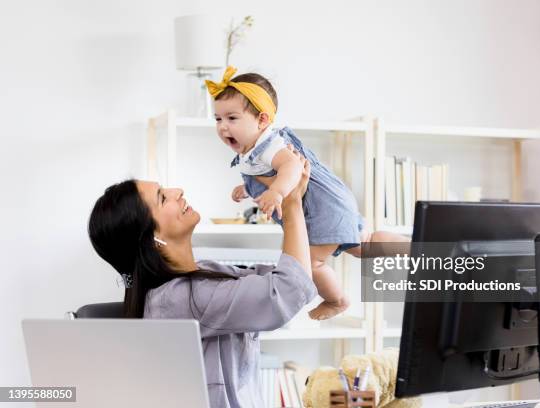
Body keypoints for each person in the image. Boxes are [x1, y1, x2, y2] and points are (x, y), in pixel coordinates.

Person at [88, 152, 316, 407]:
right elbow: (289, 289)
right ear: (152, 238)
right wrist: (292, 204)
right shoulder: (179, 299)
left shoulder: (202, 273)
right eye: (163, 198)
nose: (177, 191)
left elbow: (291, 276)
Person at [206, 66, 409, 320]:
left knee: (309, 265)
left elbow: (291, 166)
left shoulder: (269, 146)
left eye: (232, 118)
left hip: (320, 209)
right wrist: (247, 188)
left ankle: (337, 300)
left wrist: (278, 192)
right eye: (218, 119)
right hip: (333, 200)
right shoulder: (252, 151)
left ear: (262, 120)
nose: (223, 127)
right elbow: (265, 176)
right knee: (365, 243)